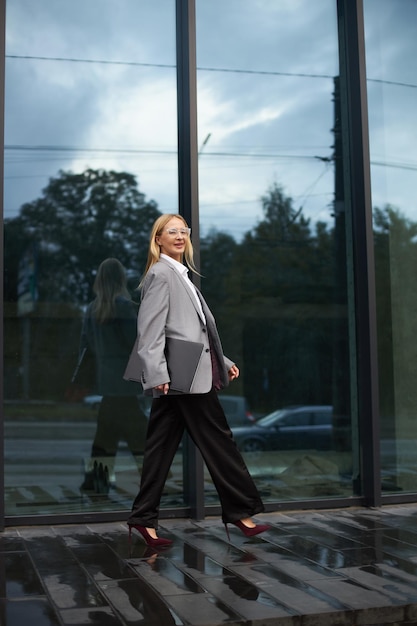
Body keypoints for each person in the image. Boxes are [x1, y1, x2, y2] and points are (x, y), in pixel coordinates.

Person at [127, 214, 269, 547]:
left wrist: (224, 360)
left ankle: (143, 518)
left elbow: (197, 330)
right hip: (182, 375)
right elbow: (149, 330)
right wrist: (157, 373)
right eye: (171, 232)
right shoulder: (161, 274)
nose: (179, 236)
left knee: (160, 447)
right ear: (158, 239)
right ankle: (240, 511)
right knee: (219, 440)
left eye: (183, 231)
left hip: (186, 371)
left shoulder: (181, 274)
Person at [79, 258, 148, 493]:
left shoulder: (91, 309)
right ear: (121, 279)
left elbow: (85, 346)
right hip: (126, 384)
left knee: (106, 437)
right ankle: (155, 484)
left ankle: (95, 482)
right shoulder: (124, 306)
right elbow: (136, 343)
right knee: (141, 439)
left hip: (107, 384)